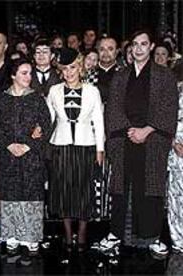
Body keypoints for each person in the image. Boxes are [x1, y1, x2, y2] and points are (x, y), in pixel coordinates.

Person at [99, 30, 178, 256]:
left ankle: (152, 237)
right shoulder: (121, 75)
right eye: (135, 44)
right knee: (121, 189)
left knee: (151, 190)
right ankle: (116, 234)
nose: (139, 48)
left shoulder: (164, 76)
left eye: (144, 44)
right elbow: (112, 108)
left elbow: (169, 108)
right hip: (124, 138)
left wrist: (147, 130)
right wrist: (128, 131)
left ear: (151, 46)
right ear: (130, 48)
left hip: (153, 140)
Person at [0, 58, 51, 252]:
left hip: (31, 155)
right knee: (10, 194)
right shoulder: (1, 99)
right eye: (24, 73)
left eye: (30, 73)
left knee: (32, 193)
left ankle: (31, 235)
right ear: (13, 75)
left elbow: (47, 126)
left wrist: (29, 145)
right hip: (8, 156)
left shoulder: (37, 98)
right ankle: (12, 234)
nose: (29, 77)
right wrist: (8, 145)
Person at [47, 48, 104, 253]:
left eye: (73, 67)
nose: (69, 72)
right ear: (60, 70)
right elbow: (48, 119)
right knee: (63, 191)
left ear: (80, 68)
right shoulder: (54, 90)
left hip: (86, 146)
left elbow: (99, 121)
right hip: (60, 147)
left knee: (83, 190)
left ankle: (82, 233)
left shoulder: (92, 91)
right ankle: (68, 234)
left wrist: (100, 149)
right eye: (65, 68)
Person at [167, 64, 183, 255]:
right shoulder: (174, 90)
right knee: (177, 197)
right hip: (177, 149)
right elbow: (164, 120)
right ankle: (178, 240)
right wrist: (172, 141)